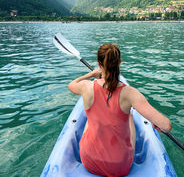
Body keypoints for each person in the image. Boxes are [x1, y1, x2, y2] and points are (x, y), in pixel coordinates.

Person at [68, 43, 172, 176]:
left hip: (90, 162)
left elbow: (71, 85)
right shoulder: (130, 93)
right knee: (129, 116)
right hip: (119, 166)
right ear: (120, 62)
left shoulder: (86, 87)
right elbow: (166, 126)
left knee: (91, 118)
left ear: (100, 65)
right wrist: (156, 124)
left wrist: (91, 74)